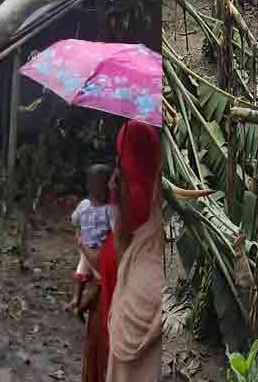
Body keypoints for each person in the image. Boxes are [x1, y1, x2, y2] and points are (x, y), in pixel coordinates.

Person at [80, 120, 163, 382]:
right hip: (102, 327)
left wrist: (81, 244)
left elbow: (112, 268)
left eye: (123, 171)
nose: (114, 182)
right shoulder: (127, 226)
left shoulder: (146, 262)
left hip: (113, 346)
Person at [71, 164, 115, 318]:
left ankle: (82, 307)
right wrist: (79, 230)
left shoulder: (109, 209)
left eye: (101, 185)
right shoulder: (84, 205)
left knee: (99, 282)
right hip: (86, 248)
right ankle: (77, 299)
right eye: (94, 184)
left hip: (100, 252)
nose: (97, 190)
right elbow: (75, 219)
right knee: (81, 275)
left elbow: (115, 230)